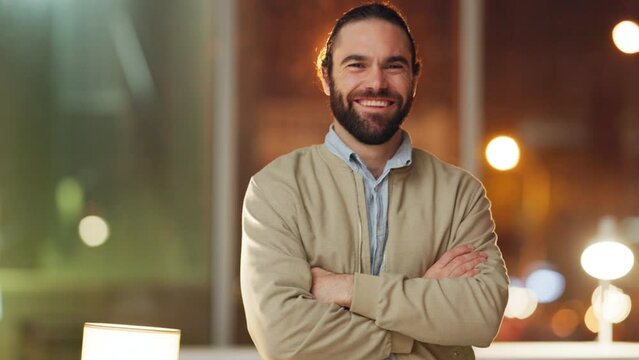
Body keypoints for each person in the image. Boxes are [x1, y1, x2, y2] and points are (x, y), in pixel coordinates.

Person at [240, 3, 509, 359]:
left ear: (415, 77)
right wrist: (418, 320)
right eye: (356, 65)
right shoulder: (277, 188)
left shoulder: (460, 194)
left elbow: (481, 316)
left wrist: (348, 289)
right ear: (326, 76)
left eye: (393, 65)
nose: (376, 83)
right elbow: (283, 337)